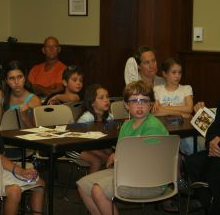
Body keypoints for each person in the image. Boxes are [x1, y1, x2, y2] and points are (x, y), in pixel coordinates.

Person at [77, 80, 168, 215]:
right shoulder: (126, 126)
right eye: (134, 100)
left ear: (151, 105)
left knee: (97, 190)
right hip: (130, 172)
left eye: (144, 101)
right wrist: (117, 155)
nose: (140, 105)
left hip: (151, 180)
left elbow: (148, 161)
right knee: (83, 185)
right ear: (126, 105)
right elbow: (123, 153)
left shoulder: (153, 126)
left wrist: (119, 156)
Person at [153, 57, 198, 155]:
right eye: (174, 72)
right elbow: (157, 112)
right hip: (164, 131)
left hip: (184, 131)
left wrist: (165, 109)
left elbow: (189, 109)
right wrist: (182, 113)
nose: (177, 76)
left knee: (191, 148)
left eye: (179, 72)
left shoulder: (186, 88)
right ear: (165, 74)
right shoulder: (157, 89)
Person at [70, 84, 113, 173]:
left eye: (107, 97)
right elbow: (80, 142)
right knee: (97, 161)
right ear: (92, 102)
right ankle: (89, 185)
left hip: (94, 146)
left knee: (111, 154)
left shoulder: (109, 117)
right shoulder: (86, 118)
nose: (106, 100)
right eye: (101, 98)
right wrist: (103, 154)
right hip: (76, 148)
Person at [0, 60, 41, 128]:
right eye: (11, 78)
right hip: (5, 136)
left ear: (25, 78)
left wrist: (25, 118)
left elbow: (38, 133)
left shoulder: (34, 100)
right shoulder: (0, 96)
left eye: (19, 77)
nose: (16, 82)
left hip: (25, 137)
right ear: (6, 81)